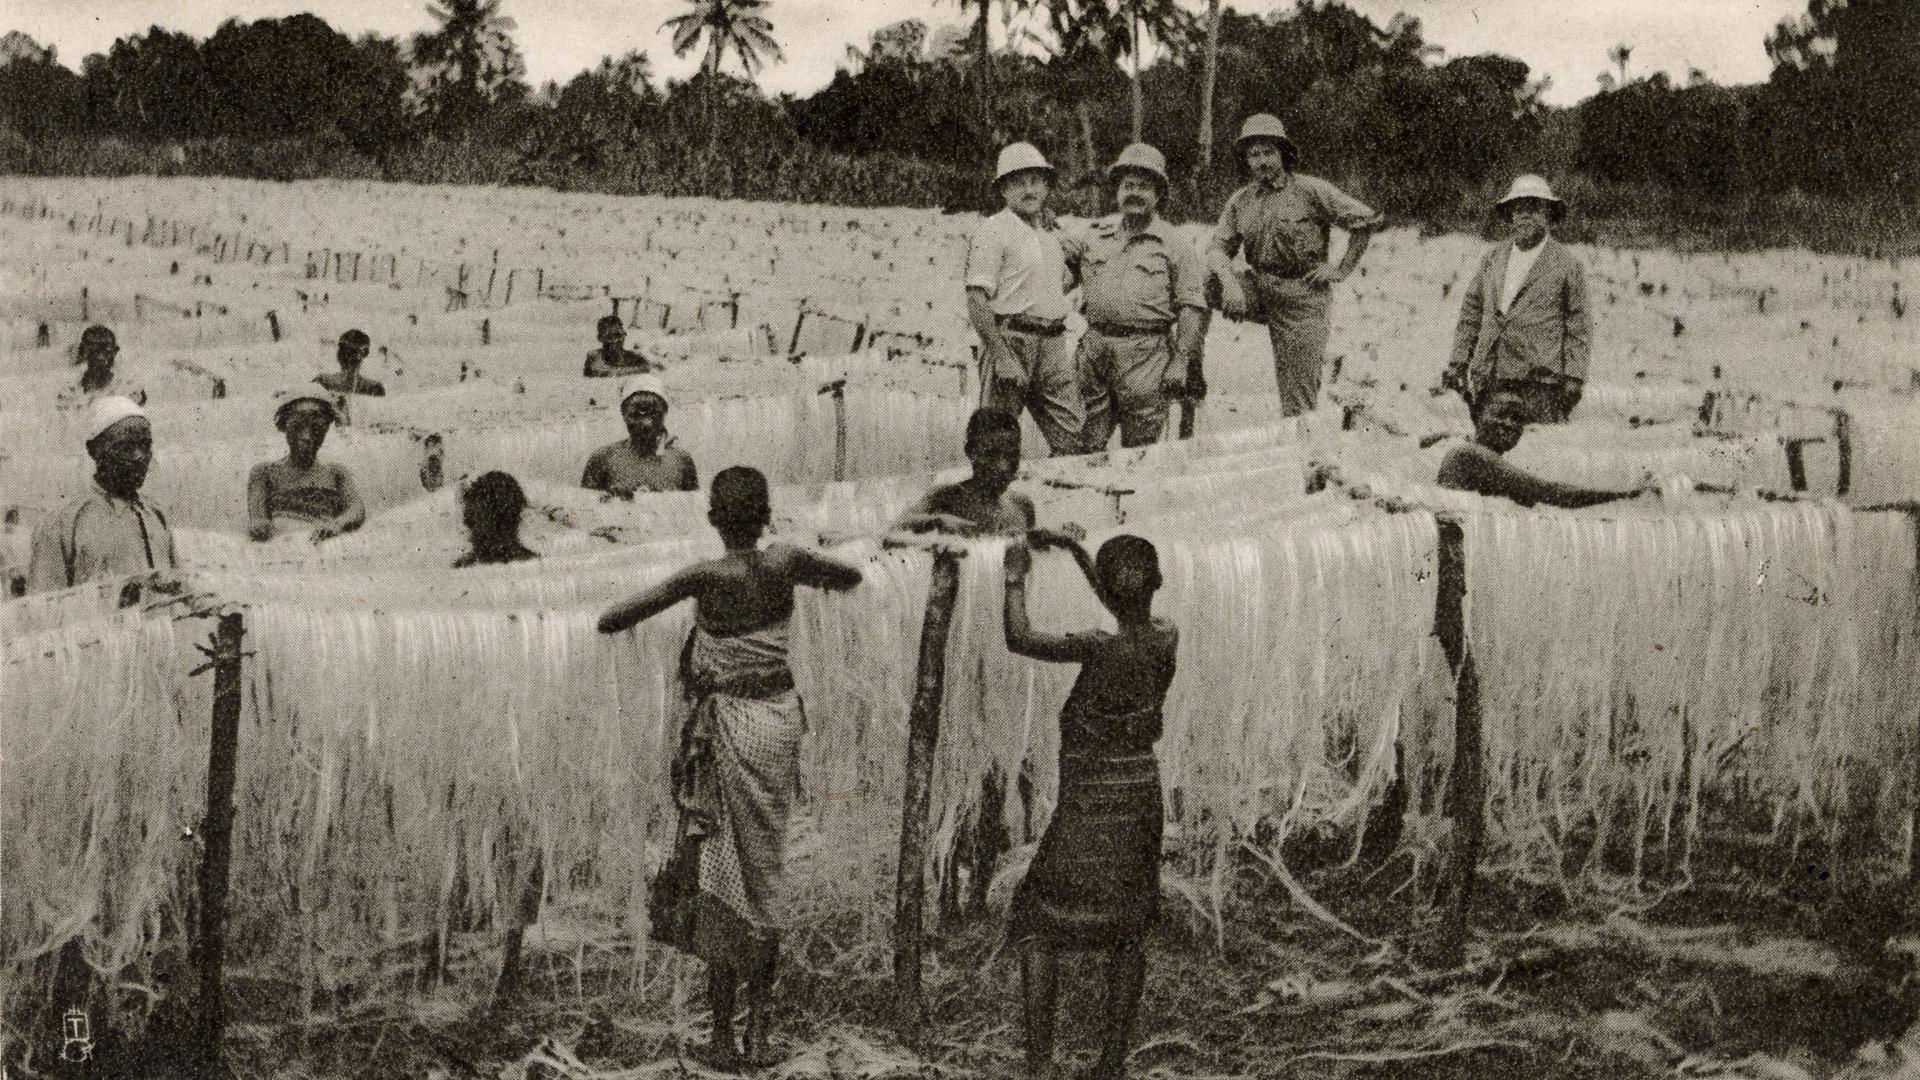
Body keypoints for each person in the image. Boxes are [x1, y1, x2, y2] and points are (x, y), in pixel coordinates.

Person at [597, 467, 863, 1070]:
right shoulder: (786, 561)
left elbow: (613, 618)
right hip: (776, 725)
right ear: (767, 514)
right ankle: (761, 1033)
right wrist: (795, 553)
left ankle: (721, 1037)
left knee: (721, 876)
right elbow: (849, 576)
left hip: (726, 730)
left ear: (714, 518)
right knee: (765, 877)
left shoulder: (704, 576)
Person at [1004, 532, 1176, 1080]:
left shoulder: (1096, 646)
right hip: (1141, 800)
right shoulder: (1165, 638)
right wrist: (1077, 553)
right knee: (1128, 931)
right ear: (1158, 585)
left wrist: (1014, 576)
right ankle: (1110, 1065)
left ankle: (1038, 1065)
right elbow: (1124, 605)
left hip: (1088, 809)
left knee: (1036, 922)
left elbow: (1019, 636)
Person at [1209, 114, 1381, 417]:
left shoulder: (1310, 190)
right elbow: (1217, 249)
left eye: (1268, 152)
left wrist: (1340, 270)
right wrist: (1230, 283)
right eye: (1253, 154)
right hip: (1259, 288)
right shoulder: (1241, 201)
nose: (1261, 161)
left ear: (1283, 154)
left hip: (1304, 299)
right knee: (1197, 283)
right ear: (1246, 160)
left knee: (1298, 406)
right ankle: (1190, 365)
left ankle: (1302, 453)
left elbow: (1365, 221)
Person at [1062, 144, 1208, 450]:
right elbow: (1058, 276)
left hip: (1147, 358)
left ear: (1158, 195)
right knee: (1084, 444)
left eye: (1144, 187)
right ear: (1117, 191)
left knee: (1141, 450)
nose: (1135, 193)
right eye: (1128, 185)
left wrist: (1180, 362)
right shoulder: (1093, 235)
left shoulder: (1175, 244)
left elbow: (1191, 308)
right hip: (1095, 352)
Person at [1443, 175, 1591, 424]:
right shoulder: (1493, 259)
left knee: (1536, 453)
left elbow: (1579, 323)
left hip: (1539, 385)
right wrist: (1459, 361)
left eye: (1533, 208)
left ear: (1548, 214)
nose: (1525, 215)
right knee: (1488, 451)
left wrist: (1574, 378)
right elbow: (1472, 310)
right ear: (1510, 214)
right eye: (1518, 208)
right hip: (1490, 378)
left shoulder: (1567, 264)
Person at [966, 142, 1084, 457]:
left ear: (1046, 187)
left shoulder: (1051, 236)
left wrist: (1078, 265)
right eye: (1018, 182)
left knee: (1072, 439)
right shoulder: (993, 231)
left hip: (1053, 345)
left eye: (1035, 181)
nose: (1028, 189)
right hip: (1011, 338)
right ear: (1003, 190)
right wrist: (1001, 355)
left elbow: (1057, 287)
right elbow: (977, 298)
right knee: (996, 443)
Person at [28, 396, 177, 593]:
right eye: (125, 447)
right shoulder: (63, 523)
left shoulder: (156, 515)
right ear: (94, 450)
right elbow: (44, 608)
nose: (139, 457)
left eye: (145, 445)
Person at [1437, 389, 1648, 508]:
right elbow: (1549, 492)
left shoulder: (1475, 456)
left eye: (1518, 419)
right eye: (1501, 414)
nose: (1510, 424)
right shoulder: (1469, 455)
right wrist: (1626, 496)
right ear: (1477, 417)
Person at [894, 406, 1037, 536]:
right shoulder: (945, 497)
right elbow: (896, 526)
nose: (1003, 466)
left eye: (1012, 456)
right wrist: (936, 521)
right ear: (971, 452)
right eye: (991, 455)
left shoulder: (1022, 505)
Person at [246, 391, 366, 543]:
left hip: (322, 544)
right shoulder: (264, 472)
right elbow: (258, 518)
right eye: (297, 427)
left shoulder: (335, 472)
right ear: (284, 426)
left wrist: (337, 524)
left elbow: (356, 508)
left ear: (326, 430)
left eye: (316, 428)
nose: (306, 437)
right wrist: (260, 525)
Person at [580, 375, 699, 497]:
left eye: (654, 414)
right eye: (638, 414)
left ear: (664, 415)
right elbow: (585, 508)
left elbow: (693, 509)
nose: (646, 423)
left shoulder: (681, 460)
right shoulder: (603, 459)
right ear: (624, 415)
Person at [453, 471, 538, 567]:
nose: (466, 522)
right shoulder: (534, 563)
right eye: (469, 512)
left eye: (473, 514)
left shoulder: (463, 567)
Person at [56, 325, 145, 411]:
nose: (100, 357)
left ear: (115, 351)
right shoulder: (69, 393)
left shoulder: (129, 390)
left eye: (106, 350)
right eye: (92, 350)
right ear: (83, 352)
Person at [314, 329, 387, 398]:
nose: (346, 355)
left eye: (352, 351)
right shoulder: (323, 382)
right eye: (342, 349)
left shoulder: (374, 388)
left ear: (364, 354)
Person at [584, 314, 653, 378]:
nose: (615, 341)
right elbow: (603, 372)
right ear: (601, 339)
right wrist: (638, 369)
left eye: (619, 335)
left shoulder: (633, 356)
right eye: (610, 337)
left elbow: (650, 367)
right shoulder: (594, 356)